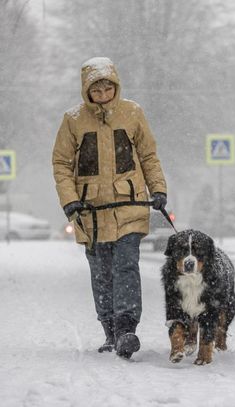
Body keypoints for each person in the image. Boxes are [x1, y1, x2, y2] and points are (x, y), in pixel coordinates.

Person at [52, 57, 167, 359]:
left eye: (107, 89)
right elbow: (61, 164)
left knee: (126, 266)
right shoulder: (73, 120)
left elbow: (149, 156)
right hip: (90, 212)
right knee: (102, 273)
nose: (103, 95)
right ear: (87, 91)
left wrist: (158, 189)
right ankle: (110, 331)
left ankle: (127, 328)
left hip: (129, 206)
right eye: (96, 90)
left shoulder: (132, 113)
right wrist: (70, 199)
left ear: (115, 86)